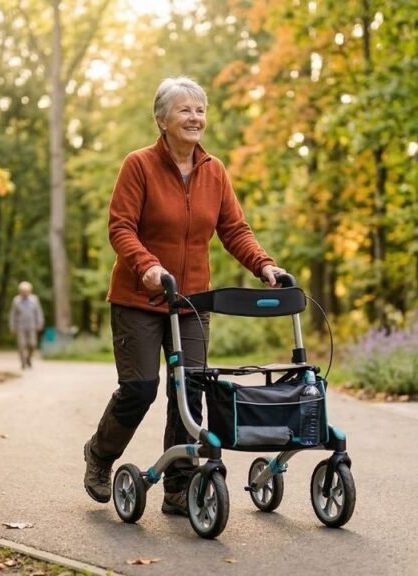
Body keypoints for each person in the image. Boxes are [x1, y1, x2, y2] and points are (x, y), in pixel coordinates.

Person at [83, 77, 287, 516]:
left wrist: (264, 265)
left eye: (199, 110)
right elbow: (121, 226)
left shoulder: (214, 171)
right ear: (162, 120)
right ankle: (100, 455)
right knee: (140, 389)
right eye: (185, 110)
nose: (195, 117)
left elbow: (234, 229)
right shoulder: (138, 165)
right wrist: (148, 266)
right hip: (140, 298)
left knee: (189, 393)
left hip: (191, 301)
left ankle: (178, 486)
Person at [9, 281, 44, 369]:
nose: (25, 293)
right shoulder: (16, 300)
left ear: (30, 291)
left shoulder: (34, 299)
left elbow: (38, 312)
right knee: (21, 345)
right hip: (20, 326)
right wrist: (12, 326)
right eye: (23, 291)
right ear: (20, 291)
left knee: (32, 344)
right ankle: (23, 362)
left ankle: (28, 359)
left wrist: (40, 323)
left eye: (26, 291)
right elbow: (12, 314)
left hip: (32, 326)